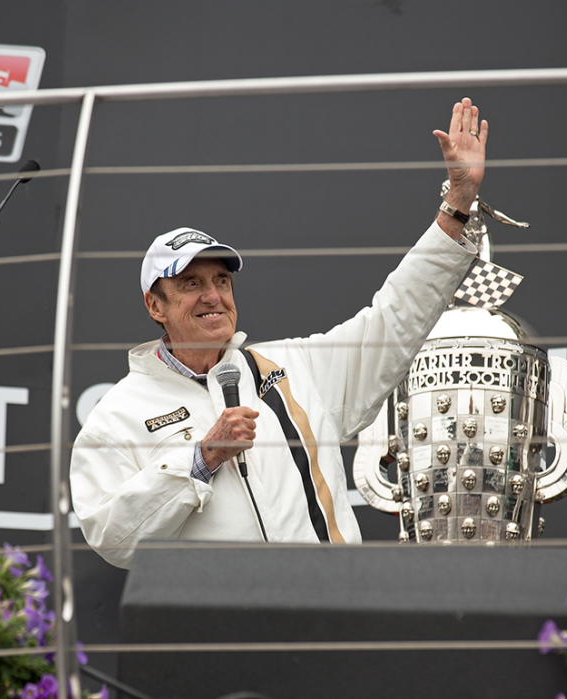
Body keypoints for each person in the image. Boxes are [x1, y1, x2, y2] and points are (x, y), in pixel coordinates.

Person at [70, 98, 486, 568]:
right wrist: (202, 459)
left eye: (220, 281)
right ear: (155, 305)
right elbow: (112, 537)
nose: (212, 296)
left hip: (332, 615)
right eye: (190, 284)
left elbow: (394, 320)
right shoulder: (117, 414)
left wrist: (456, 205)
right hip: (223, 634)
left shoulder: (294, 369)